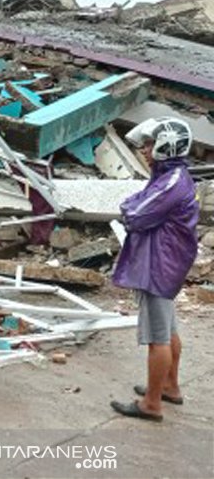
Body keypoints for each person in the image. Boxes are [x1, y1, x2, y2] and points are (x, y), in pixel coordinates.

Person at [110, 117, 199, 422]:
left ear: (166, 145)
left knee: (157, 336)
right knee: (169, 328)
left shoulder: (172, 181)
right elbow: (141, 202)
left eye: (149, 144)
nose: (145, 150)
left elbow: (136, 212)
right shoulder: (171, 175)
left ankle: (151, 403)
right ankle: (170, 386)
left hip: (160, 265)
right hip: (169, 261)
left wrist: (127, 209)